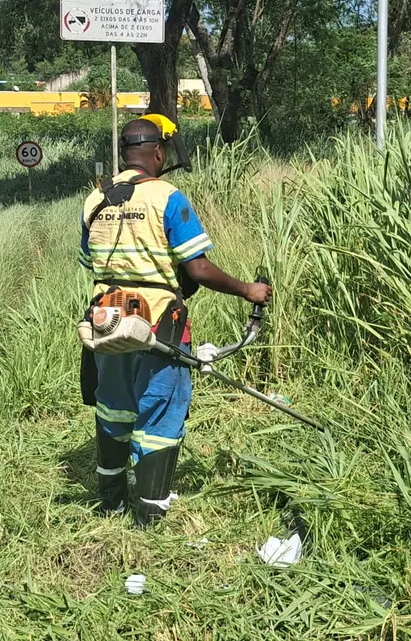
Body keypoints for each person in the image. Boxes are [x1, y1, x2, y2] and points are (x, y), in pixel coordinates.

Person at [79, 114, 271, 526]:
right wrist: (249, 290)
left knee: (113, 406)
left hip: (106, 317)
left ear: (125, 153)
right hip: (158, 321)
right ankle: (149, 513)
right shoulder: (167, 197)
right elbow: (197, 270)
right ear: (158, 152)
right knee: (162, 411)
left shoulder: (95, 200)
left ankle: (110, 501)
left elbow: (87, 262)